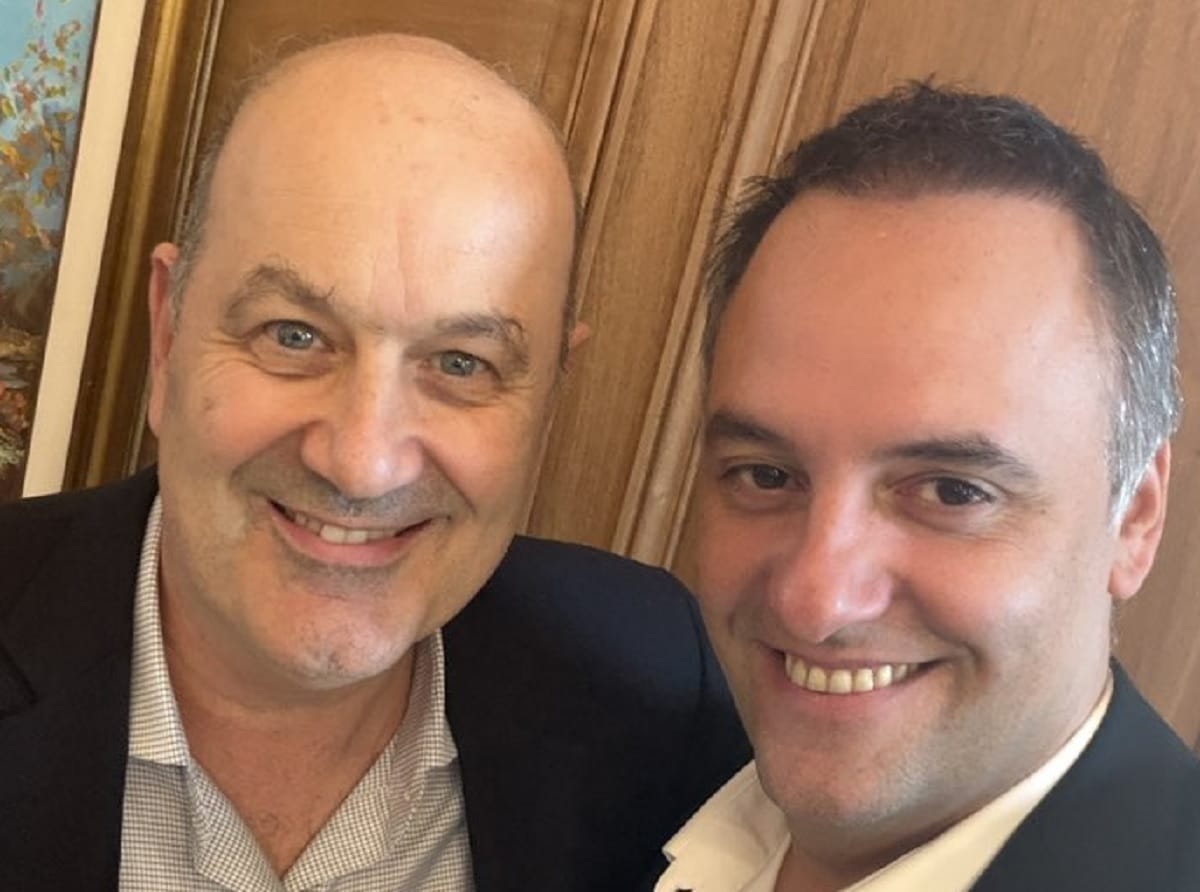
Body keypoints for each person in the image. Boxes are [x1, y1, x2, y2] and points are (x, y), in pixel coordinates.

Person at [0, 35, 748, 891]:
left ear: (549, 397)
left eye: (462, 363)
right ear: (167, 336)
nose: (363, 463)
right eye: (293, 335)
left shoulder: (654, 689)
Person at [654, 83, 1200, 891]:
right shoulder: (629, 765)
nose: (815, 601)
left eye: (951, 492)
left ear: (1135, 519)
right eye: (766, 475)